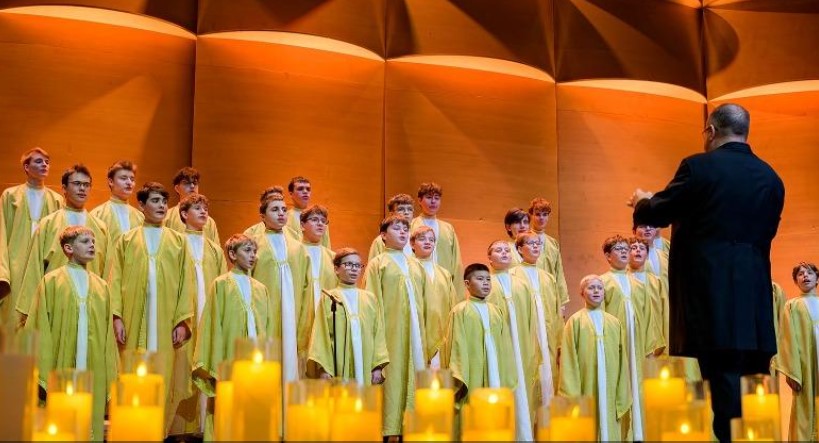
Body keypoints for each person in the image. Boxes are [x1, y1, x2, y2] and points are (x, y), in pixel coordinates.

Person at [630, 103, 785, 442]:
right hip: (756, 302)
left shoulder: (698, 168)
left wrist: (644, 200)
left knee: (725, 401)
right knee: (754, 398)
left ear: (711, 131)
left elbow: (658, 212)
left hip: (712, 300)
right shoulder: (772, 178)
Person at [107, 182, 196, 435]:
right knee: (132, 371)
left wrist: (182, 321)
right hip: (134, 320)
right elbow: (115, 280)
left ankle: (158, 431)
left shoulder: (178, 241)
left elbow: (185, 282)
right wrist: (117, 317)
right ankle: (131, 430)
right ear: (142, 205)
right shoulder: (127, 239)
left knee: (163, 373)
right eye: (154, 201)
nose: (160, 206)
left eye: (163, 202)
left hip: (166, 320)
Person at [24, 226, 117, 441]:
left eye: (93, 241)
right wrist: (43, 369)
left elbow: (107, 338)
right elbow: (40, 327)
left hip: (92, 365)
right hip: (62, 363)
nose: (92, 245)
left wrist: (110, 368)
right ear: (68, 248)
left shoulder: (102, 286)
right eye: (85, 241)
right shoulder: (51, 282)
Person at [193, 234, 274, 440]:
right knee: (228, 407)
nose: (253, 256)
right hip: (230, 355)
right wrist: (217, 362)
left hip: (255, 360)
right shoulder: (221, 285)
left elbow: (268, 327)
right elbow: (212, 324)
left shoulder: (261, 289)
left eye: (254, 251)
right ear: (232, 254)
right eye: (247, 251)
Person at [16, 165, 109, 324]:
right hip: (57, 301)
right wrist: (30, 309)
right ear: (64, 188)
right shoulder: (48, 224)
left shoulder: (100, 227)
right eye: (77, 183)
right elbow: (34, 267)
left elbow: (108, 270)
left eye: (86, 185)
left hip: (91, 302)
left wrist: (110, 310)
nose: (82, 188)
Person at [362, 215, 428, 438]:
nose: (402, 232)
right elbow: (372, 304)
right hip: (390, 335)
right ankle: (389, 432)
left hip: (416, 335)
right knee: (393, 383)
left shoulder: (415, 265)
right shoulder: (378, 263)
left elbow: (424, 305)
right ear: (383, 235)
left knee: (415, 381)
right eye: (396, 228)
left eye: (405, 228)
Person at [171, 193, 227, 437]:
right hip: (186, 313)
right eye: (197, 208)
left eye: (206, 208)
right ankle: (181, 425)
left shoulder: (214, 249)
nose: (204, 212)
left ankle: (204, 426)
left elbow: (223, 283)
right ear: (184, 214)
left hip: (208, 311)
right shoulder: (176, 243)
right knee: (182, 366)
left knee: (205, 364)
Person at [599, 235, 663, 441]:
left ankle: (638, 432)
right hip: (615, 346)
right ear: (608, 256)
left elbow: (648, 317)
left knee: (637, 386)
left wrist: (649, 347)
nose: (625, 252)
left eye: (626, 248)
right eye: (618, 249)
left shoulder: (638, 284)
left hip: (636, 347)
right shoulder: (602, 282)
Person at [248, 192, 312, 384]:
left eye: (284, 210)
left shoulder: (297, 247)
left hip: (291, 315)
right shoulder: (254, 244)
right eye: (275, 210)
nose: (281, 214)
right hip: (265, 315)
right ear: (262, 216)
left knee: (289, 365)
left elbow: (306, 287)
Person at [558, 275, 630, 442]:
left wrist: (622, 387)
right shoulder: (575, 322)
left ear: (604, 293)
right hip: (586, 382)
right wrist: (572, 393)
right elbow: (569, 357)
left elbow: (622, 359)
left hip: (610, 383)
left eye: (599, 288)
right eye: (591, 288)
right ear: (582, 293)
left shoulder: (614, 322)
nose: (596, 291)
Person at [0, 148, 64, 323]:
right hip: (16, 262)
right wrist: (3, 270)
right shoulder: (10, 196)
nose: (44, 164)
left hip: (44, 264)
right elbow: (2, 234)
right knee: (13, 313)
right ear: (26, 167)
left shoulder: (57, 200)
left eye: (47, 162)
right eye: (38, 161)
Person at [308, 248, 388, 385]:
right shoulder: (329, 297)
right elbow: (321, 334)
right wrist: (324, 368)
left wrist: (377, 366)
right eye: (349, 264)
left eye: (358, 265)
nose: (354, 269)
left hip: (366, 360)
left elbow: (378, 333)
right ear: (336, 269)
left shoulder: (369, 298)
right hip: (338, 363)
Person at [442, 263, 516, 408]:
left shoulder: (496, 311)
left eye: (488, 279)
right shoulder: (460, 311)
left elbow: (505, 346)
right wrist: (459, 372)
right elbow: (456, 345)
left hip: (495, 366)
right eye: (480, 279)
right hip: (471, 369)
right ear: (467, 284)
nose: (486, 283)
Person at [486, 239, 536, 441]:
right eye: (498, 250)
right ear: (489, 258)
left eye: (507, 250)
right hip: (499, 350)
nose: (504, 253)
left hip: (521, 347)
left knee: (522, 392)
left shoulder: (522, 285)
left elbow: (531, 320)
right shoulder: (486, 283)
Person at [509, 232, 562, 406]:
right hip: (526, 333)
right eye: (531, 244)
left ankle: (545, 423)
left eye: (538, 244)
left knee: (547, 374)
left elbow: (555, 311)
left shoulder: (548, 277)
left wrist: (559, 340)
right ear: (519, 249)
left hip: (546, 333)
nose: (535, 247)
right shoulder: (512, 275)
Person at [775, 262, 818, 441]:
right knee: (805, 405)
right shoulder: (791, 306)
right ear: (795, 281)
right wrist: (793, 371)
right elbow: (787, 338)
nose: (805, 276)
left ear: (817, 279)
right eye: (800, 274)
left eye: (809, 273)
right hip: (806, 365)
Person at [410, 225, 458, 369]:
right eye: (422, 239)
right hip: (418, 332)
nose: (427, 242)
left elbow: (453, 304)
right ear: (412, 244)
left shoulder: (444, 273)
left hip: (442, 333)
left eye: (431, 239)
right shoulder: (408, 269)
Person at [410, 182, 463, 296]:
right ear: (419, 200)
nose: (433, 201)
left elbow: (456, 261)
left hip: (443, 283)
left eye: (437, 198)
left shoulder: (448, 228)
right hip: (417, 280)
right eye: (429, 197)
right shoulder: (411, 225)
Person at [527, 198, 570, 309]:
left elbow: (559, 272)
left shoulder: (553, 243)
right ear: (531, 215)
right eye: (537, 214)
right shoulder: (524, 240)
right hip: (531, 292)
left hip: (550, 293)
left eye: (545, 214)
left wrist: (562, 302)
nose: (541, 218)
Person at [90, 160, 143, 242]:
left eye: (132, 179)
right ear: (111, 181)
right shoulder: (96, 215)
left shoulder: (140, 217)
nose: (129, 182)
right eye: (123, 178)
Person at [165, 167, 220, 244]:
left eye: (195, 183)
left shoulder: (209, 221)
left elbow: (216, 251)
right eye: (186, 183)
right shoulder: (167, 216)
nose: (192, 186)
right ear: (177, 188)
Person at [300, 205, 336, 312]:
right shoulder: (294, 253)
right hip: (301, 314)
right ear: (302, 225)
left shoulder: (333, 258)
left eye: (323, 221)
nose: (320, 223)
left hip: (326, 314)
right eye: (315, 220)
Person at [286, 176, 331, 248]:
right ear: (291, 194)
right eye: (300, 189)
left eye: (308, 189)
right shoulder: (284, 217)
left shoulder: (321, 218)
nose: (305, 191)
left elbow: (326, 246)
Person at [368, 193, 414, 259]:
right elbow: (372, 266)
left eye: (409, 209)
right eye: (401, 209)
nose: (406, 212)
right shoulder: (380, 240)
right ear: (391, 214)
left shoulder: (416, 238)